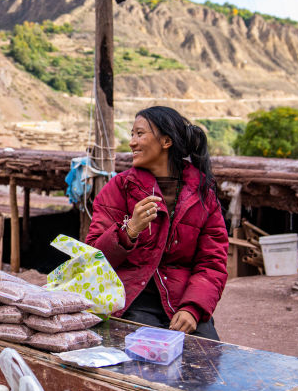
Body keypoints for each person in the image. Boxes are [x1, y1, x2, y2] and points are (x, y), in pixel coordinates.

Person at [85, 106, 228, 339]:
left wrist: (193, 308)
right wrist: (129, 231)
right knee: (141, 361)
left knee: (205, 358)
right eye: (132, 134)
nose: (132, 142)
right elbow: (92, 260)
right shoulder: (119, 188)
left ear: (166, 141)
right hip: (132, 298)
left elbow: (212, 262)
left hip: (184, 299)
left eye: (139, 134)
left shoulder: (203, 193)